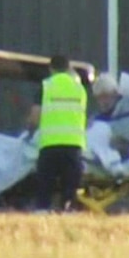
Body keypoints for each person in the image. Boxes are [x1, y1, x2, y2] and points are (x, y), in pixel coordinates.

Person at [28, 54, 87, 212]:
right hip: (74, 145)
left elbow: (35, 117)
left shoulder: (46, 86)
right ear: (68, 68)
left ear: (51, 69)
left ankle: (42, 213)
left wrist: (29, 131)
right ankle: (68, 211)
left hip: (50, 145)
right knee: (69, 189)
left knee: (45, 186)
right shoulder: (79, 89)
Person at [87, 73, 129, 178]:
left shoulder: (127, 109)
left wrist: (116, 135)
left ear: (115, 94)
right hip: (103, 164)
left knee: (99, 129)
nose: (103, 102)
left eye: (106, 96)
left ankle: (115, 167)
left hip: (128, 162)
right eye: (99, 98)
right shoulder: (98, 117)